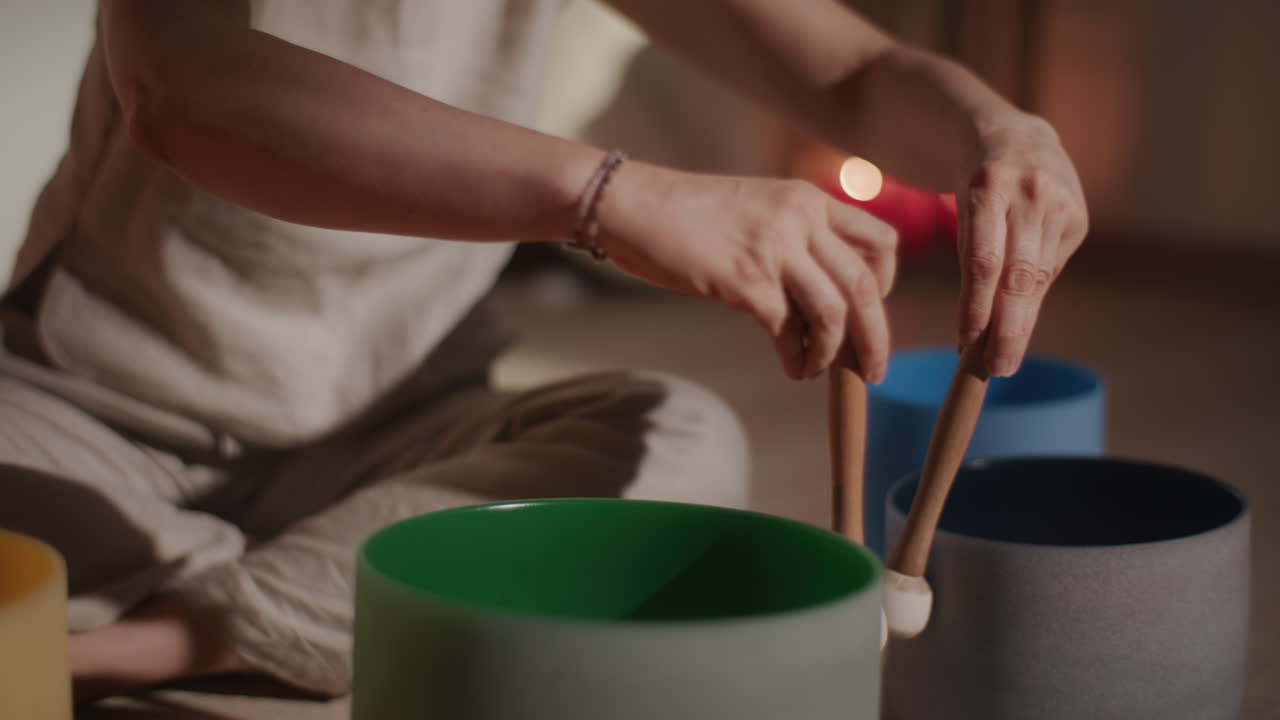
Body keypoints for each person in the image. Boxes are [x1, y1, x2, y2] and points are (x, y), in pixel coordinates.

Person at [0, 0, 1087, 701]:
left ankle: (142, 640)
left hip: (389, 426)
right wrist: (614, 197)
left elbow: (849, 75)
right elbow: (180, 93)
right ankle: (314, 605)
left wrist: (1001, 132)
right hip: (88, 408)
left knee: (677, 437)